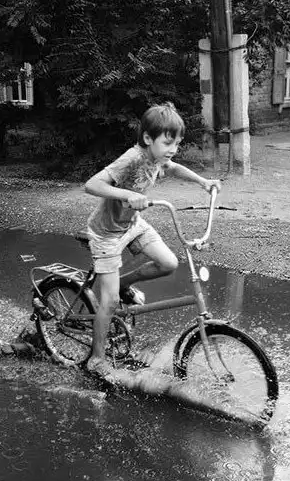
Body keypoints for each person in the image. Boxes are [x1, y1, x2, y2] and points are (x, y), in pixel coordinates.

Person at [82, 102, 221, 376]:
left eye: (177, 143)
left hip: (133, 224)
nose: (173, 149)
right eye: (168, 143)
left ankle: (124, 283)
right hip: (106, 233)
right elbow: (92, 185)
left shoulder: (157, 159)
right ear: (147, 138)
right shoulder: (132, 158)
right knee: (109, 302)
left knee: (169, 263)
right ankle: (96, 359)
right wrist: (128, 194)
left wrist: (203, 182)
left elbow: (173, 167)